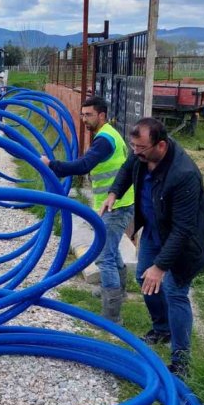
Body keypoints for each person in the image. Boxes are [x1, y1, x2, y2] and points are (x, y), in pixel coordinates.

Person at [101, 117, 204, 378]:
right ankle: (162, 328)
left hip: (185, 242)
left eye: (141, 148)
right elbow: (128, 168)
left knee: (175, 292)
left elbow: (184, 229)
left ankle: (181, 360)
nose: (135, 152)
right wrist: (114, 193)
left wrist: (161, 266)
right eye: (134, 146)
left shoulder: (183, 175)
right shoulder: (142, 155)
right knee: (144, 276)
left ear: (161, 145)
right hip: (155, 231)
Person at [40, 96, 134, 323]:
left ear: (102, 115)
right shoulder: (110, 132)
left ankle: (112, 317)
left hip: (116, 205)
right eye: (82, 114)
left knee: (104, 257)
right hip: (115, 202)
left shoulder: (104, 140)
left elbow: (83, 166)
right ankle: (117, 293)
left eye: (88, 114)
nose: (84, 119)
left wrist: (51, 165)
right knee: (112, 251)